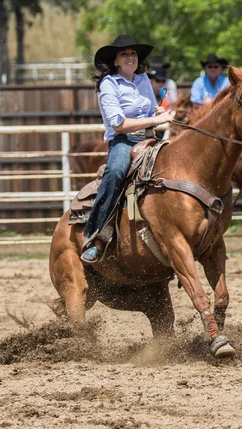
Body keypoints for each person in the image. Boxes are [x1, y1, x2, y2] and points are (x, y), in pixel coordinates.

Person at [81, 35, 174, 264]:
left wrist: (161, 113)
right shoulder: (108, 84)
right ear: (115, 61)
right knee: (115, 174)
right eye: (124, 54)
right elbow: (118, 124)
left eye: (132, 53)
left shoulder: (142, 79)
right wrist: (153, 119)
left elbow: (153, 108)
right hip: (123, 140)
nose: (130, 57)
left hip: (150, 137)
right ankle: (98, 236)